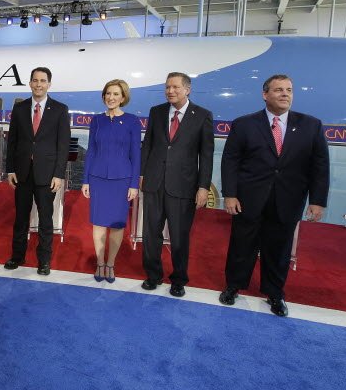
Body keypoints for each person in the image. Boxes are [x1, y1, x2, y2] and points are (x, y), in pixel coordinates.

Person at [219, 74, 329, 317]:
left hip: (288, 200)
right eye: (279, 89)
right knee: (241, 245)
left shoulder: (311, 125)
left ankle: (275, 293)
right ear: (265, 94)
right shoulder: (244, 124)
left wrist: (317, 201)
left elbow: (320, 166)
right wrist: (230, 194)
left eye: (289, 90)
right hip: (248, 199)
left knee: (279, 249)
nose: (285, 94)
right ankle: (233, 286)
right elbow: (230, 162)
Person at [139, 72, 214, 297]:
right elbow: (148, 145)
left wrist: (203, 187)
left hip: (183, 186)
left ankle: (179, 279)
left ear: (187, 89)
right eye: (167, 87)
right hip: (154, 183)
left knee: (180, 235)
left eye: (175, 87)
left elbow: (206, 155)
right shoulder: (157, 112)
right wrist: (142, 173)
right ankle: (153, 275)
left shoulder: (202, 115)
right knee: (151, 233)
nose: (170, 91)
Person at [4, 67, 70, 276]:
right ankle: (17, 256)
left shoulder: (59, 109)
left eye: (43, 81)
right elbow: (12, 141)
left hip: (48, 175)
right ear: (30, 83)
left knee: (46, 219)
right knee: (21, 218)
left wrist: (59, 174)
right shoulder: (20, 108)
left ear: (49, 84)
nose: (38, 84)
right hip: (22, 173)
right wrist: (10, 169)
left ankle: (44, 261)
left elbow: (63, 145)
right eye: (35, 80)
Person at [80, 79, 140, 283]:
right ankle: (99, 262)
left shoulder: (132, 121)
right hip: (97, 179)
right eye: (108, 93)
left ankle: (111, 263)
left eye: (115, 94)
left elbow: (136, 155)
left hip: (122, 180)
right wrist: (85, 180)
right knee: (98, 223)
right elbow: (91, 152)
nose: (111, 97)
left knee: (116, 225)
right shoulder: (96, 120)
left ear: (123, 97)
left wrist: (133, 184)